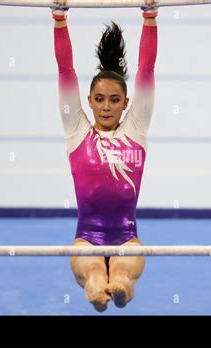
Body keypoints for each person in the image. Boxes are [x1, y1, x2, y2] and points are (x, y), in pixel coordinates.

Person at [52, 0, 158, 312]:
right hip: (86, 238)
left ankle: (119, 292)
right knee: (96, 273)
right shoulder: (77, 131)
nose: (107, 106)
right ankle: (99, 293)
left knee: (122, 274)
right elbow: (65, 71)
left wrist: (150, 17)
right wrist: (59, 20)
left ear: (127, 102)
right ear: (89, 101)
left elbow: (146, 70)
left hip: (128, 238)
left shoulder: (135, 130)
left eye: (114, 100)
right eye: (99, 100)